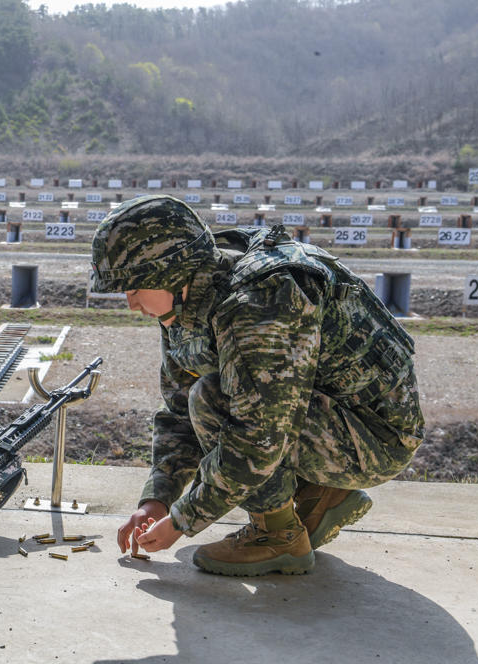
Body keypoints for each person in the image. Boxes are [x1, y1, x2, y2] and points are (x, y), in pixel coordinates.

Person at [94, 195, 424, 576]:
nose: (131, 304)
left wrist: (184, 520)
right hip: (331, 422)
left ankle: (277, 537)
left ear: (171, 272)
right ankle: (319, 495)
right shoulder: (186, 303)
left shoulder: (259, 301)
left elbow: (257, 435)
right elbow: (179, 413)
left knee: (214, 397)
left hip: (378, 440)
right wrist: (157, 500)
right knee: (207, 396)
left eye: (134, 289)